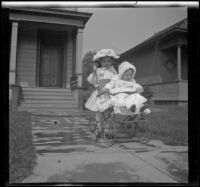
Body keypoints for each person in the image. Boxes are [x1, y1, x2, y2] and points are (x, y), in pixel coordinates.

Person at [85, 49, 119, 137]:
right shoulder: (98, 71)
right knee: (99, 110)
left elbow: (116, 81)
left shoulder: (113, 72)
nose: (106, 63)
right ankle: (99, 127)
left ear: (111, 62)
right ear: (100, 62)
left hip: (109, 93)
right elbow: (91, 79)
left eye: (109, 61)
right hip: (100, 93)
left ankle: (107, 128)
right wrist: (94, 72)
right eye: (104, 61)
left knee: (108, 111)